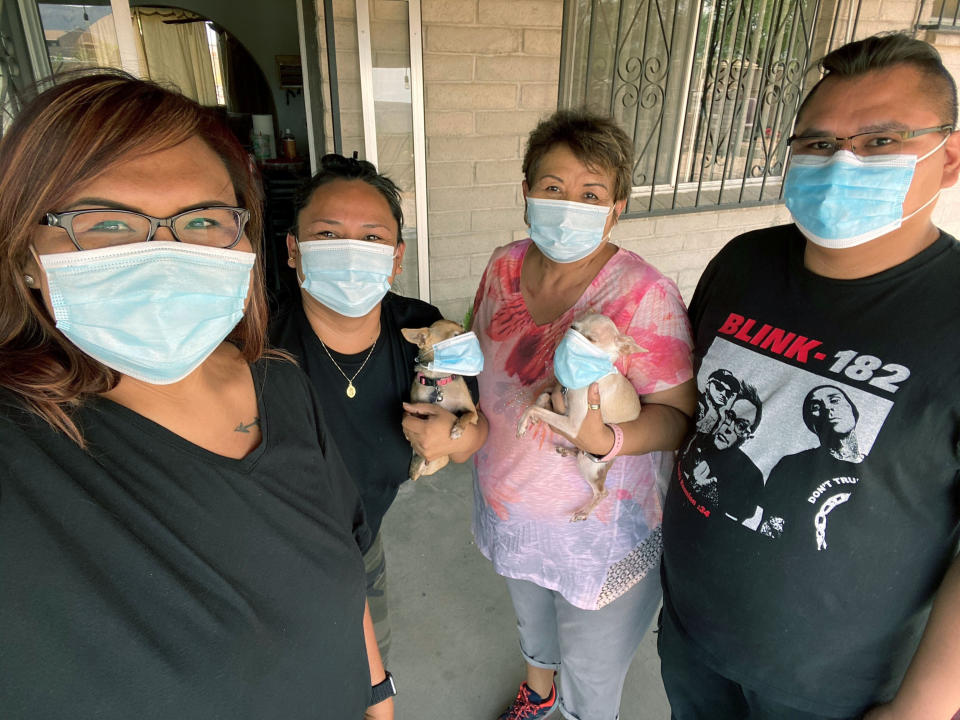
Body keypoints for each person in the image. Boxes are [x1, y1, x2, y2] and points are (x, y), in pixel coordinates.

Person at [0, 73, 392, 720]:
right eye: (105, 224)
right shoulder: (21, 464)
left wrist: (380, 701)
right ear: (21, 255)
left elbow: (345, 578)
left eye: (204, 219)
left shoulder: (280, 384)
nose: (163, 256)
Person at [660, 33, 960, 720]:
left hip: (837, 691)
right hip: (691, 635)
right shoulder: (743, 263)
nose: (843, 161)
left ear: (949, 158)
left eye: (881, 141)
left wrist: (924, 708)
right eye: (819, 144)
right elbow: (691, 412)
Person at [471, 109, 696, 720]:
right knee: (533, 622)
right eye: (553, 188)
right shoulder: (502, 267)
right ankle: (537, 692)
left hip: (597, 534)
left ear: (616, 207)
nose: (569, 205)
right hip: (510, 506)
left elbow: (677, 414)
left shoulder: (644, 295)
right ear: (526, 193)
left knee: (593, 676)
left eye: (590, 193)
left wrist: (608, 438)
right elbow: (479, 365)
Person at [270, 153, 488, 662]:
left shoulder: (425, 334)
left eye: (371, 237)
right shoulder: (258, 343)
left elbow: (472, 432)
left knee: (371, 669)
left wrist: (453, 438)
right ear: (293, 250)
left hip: (364, 541)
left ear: (396, 257)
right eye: (326, 235)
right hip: (272, 548)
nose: (349, 252)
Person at [678, 379, 763, 524]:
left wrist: (709, 490)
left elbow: (735, 521)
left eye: (741, 426)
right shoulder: (698, 442)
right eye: (730, 416)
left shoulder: (751, 476)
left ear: (747, 438)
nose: (728, 428)